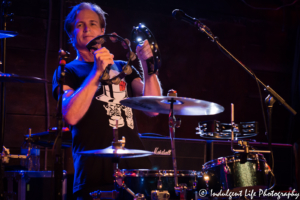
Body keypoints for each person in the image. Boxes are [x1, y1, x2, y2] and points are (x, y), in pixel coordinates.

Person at [52, 2, 162, 199]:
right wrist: (96, 71)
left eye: (93, 23)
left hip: (135, 171)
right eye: (79, 25)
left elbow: (152, 109)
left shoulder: (123, 67)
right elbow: (70, 115)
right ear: (71, 34)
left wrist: (148, 67)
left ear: (103, 30)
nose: (86, 29)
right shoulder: (67, 71)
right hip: (93, 173)